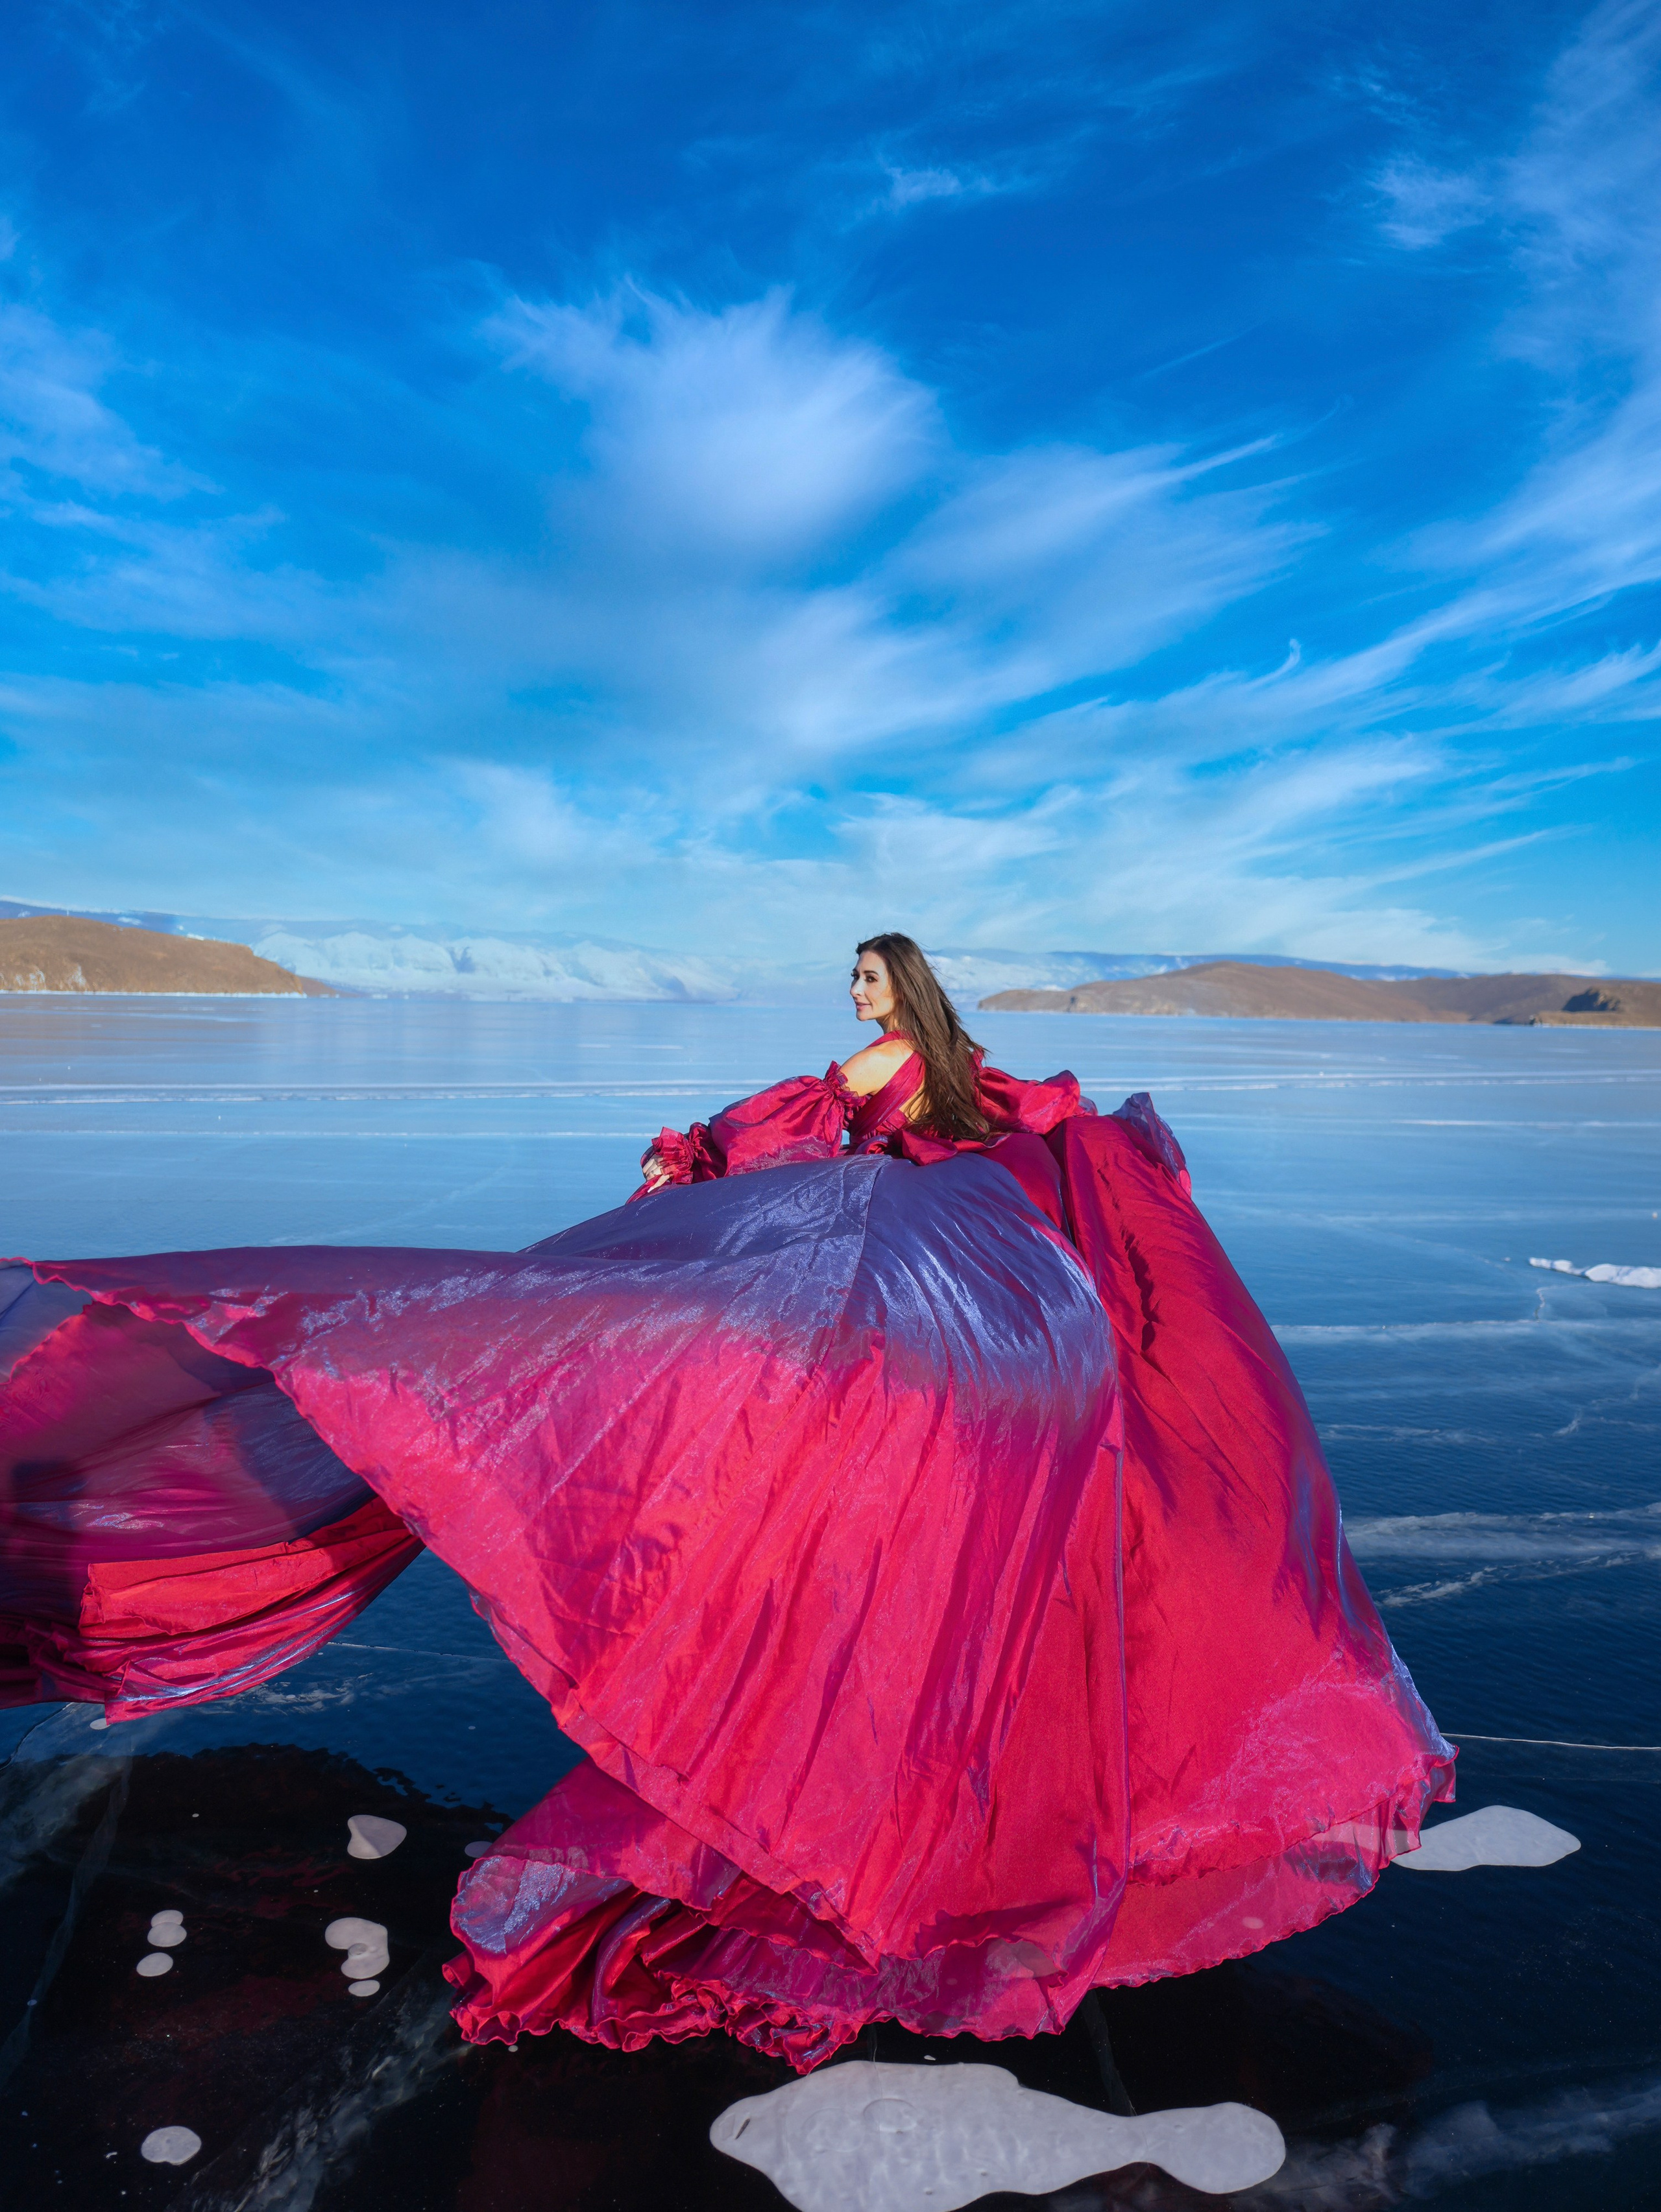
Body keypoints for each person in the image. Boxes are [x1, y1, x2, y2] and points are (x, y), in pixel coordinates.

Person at [0, 934, 1453, 2071]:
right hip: (858, 1305)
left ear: (915, 986)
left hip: (949, 1318)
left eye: (873, 974)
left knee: (1013, 1540)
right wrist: (677, 1168)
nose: (856, 990)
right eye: (854, 977)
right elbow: (735, 1151)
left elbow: (1057, 1149)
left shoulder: (985, 1088)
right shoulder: (828, 1085)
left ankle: (956, 1760)